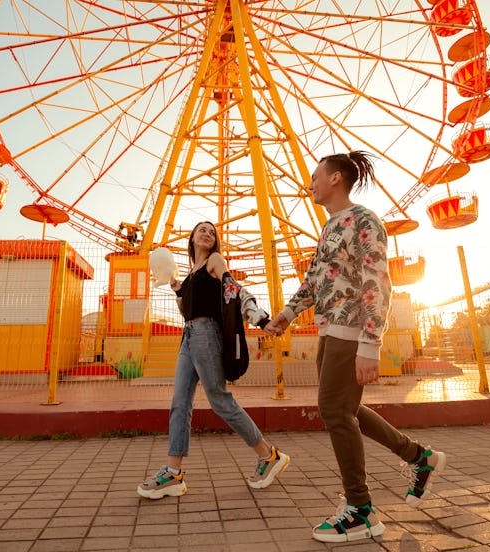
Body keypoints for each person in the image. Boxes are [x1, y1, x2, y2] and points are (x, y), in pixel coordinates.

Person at [266, 152, 446, 543]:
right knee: (346, 408)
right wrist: (286, 315)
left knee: (334, 411)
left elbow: (377, 281)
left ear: (334, 178)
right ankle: (419, 457)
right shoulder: (331, 225)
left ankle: (361, 510)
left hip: (352, 331)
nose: (309, 184)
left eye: (315, 177)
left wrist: (370, 343)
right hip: (329, 330)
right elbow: (316, 281)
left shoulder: (363, 221)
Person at [137, 221, 290, 499]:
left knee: (219, 400)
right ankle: (173, 473)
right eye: (202, 230)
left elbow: (234, 289)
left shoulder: (215, 261)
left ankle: (268, 455)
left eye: (212, 232)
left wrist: (260, 317)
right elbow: (187, 311)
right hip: (189, 337)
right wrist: (175, 287)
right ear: (192, 238)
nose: (207, 233)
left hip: (208, 335)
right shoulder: (190, 275)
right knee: (179, 403)